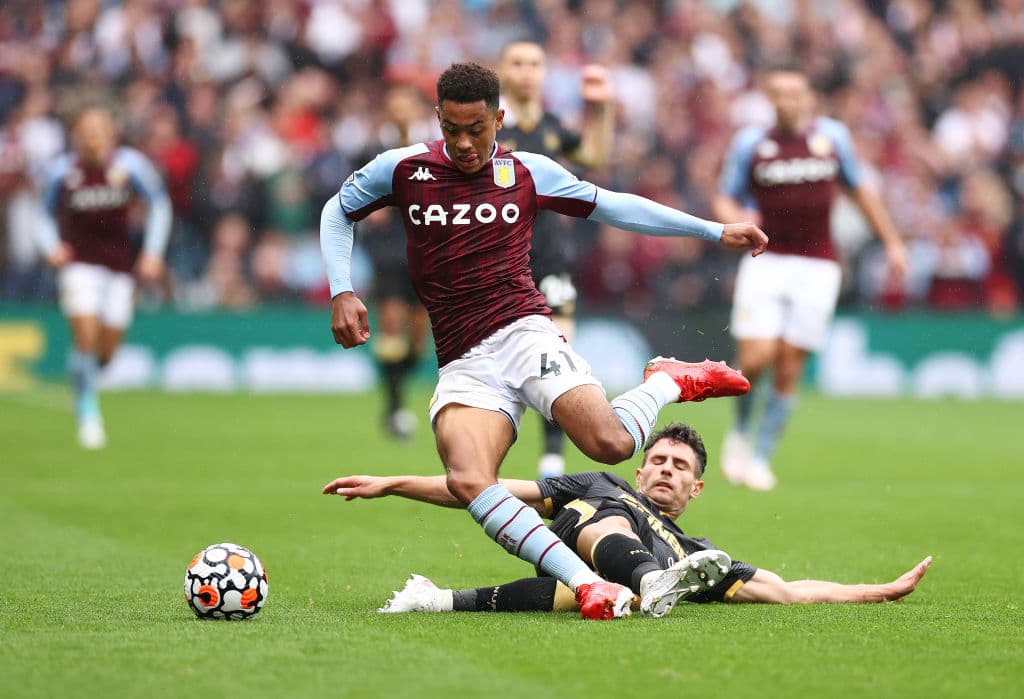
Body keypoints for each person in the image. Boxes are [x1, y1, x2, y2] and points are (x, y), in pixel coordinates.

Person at [320, 62, 767, 620]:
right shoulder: (404, 168)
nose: (462, 143)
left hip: (523, 332)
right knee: (468, 480)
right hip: (462, 358)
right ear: (437, 118)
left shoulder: (528, 171)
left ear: (499, 120)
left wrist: (710, 229)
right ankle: (587, 586)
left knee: (610, 446)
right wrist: (342, 288)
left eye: (476, 129)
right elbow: (337, 211)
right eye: (451, 129)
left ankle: (665, 382)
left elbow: (614, 205)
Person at [322, 423, 932, 615]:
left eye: (678, 466)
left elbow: (790, 591)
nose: (664, 469)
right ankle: (646, 584)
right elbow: (482, 490)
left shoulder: (699, 550)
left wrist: (877, 590)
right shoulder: (602, 481)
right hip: (587, 535)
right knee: (608, 516)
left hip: (590, 584)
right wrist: (394, 484)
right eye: (657, 460)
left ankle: (440, 600)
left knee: (597, 593)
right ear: (642, 471)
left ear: (696, 487)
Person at [714, 66, 909, 491]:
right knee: (756, 358)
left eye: (794, 92)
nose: (787, 100)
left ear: (808, 98)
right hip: (766, 259)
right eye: (778, 93)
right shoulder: (751, 142)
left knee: (789, 363)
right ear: (770, 98)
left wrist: (892, 242)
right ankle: (741, 434)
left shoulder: (833, 138)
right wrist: (736, 222)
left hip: (818, 264)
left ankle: (762, 457)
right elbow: (725, 196)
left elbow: (860, 192)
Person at [496, 39, 614, 478]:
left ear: (544, 73)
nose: (527, 71)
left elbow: (595, 156)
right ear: (502, 71)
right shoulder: (487, 126)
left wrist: (600, 109)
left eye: (535, 64)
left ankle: (551, 455)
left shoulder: (550, 126)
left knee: (559, 352)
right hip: (500, 262)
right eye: (518, 62)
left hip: (550, 257)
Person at [36, 106, 171, 449]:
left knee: (105, 353)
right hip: (79, 265)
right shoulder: (62, 170)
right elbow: (42, 214)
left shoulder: (130, 166)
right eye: (87, 129)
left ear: (111, 132)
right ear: (77, 135)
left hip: (119, 269)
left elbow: (159, 204)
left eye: (100, 128)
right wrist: (51, 246)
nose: (94, 136)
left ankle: (80, 375)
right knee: (85, 335)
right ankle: (88, 414)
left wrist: (153, 251)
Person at [355, 86, 434, 440]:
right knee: (390, 325)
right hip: (388, 253)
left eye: (406, 105)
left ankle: (398, 391)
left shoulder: (434, 150)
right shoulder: (372, 152)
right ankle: (395, 407)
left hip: (424, 252)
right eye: (394, 106)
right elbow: (356, 196)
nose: (400, 111)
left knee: (417, 340)